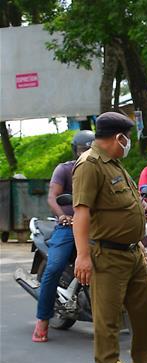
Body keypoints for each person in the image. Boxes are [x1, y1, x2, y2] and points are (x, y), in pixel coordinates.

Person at [72, 111, 147, 363]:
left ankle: (144, 362)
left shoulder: (114, 164)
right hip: (107, 256)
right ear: (118, 137)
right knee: (108, 320)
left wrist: (138, 236)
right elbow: (82, 213)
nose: (128, 144)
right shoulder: (89, 166)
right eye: (126, 138)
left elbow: (124, 208)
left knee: (146, 313)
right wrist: (83, 256)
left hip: (132, 252)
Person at [32, 130, 95, 342]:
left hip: (97, 227)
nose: (87, 152)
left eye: (91, 148)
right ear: (75, 151)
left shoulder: (102, 170)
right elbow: (53, 197)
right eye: (83, 149)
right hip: (69, 226)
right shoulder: (65, 169)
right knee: (54, 267)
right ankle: (42, 321)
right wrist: (62, 217)